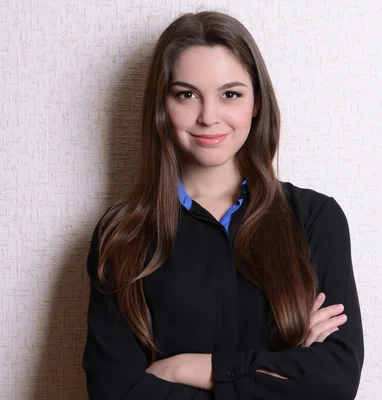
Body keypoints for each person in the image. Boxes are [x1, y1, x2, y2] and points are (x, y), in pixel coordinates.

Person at [82, 10, 363, 400]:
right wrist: (282, 370)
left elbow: (335, 381)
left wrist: (187, 368)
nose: (208, 116)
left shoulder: (315, 218)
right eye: (186, 94)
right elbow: (115, 391)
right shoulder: (122, 234)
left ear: (256, 103)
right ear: (163, 106)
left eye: (230, 94)